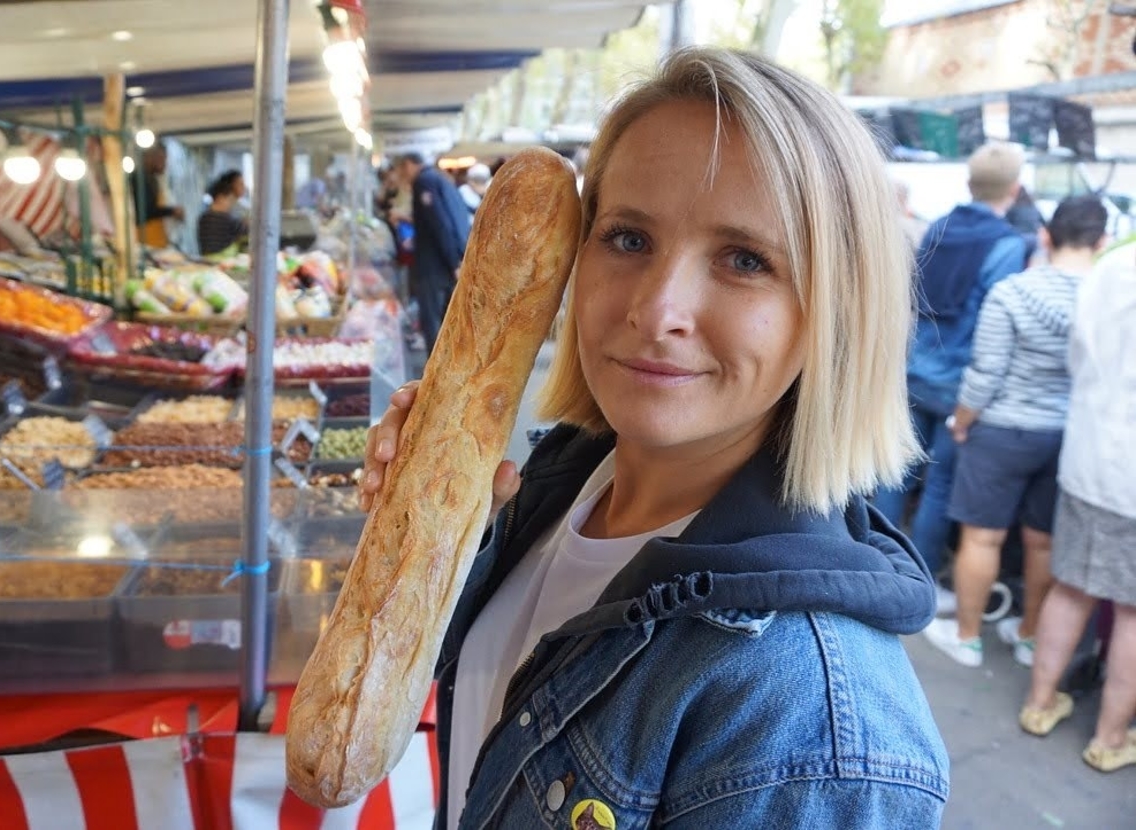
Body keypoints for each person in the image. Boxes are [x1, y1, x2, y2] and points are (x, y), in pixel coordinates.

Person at [362, 48, 947, 828]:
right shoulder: (561, 479)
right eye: (629, 239)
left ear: (838, 310)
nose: (657, 309)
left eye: (745, 260)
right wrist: (420, 557)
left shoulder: (816, 727)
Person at [922, 196, 1108, 668]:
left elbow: (985, 373)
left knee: (982, 539)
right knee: (1042, 541)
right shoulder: (1106, 300)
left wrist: (960, 422)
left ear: (1045, 235)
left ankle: (966, 638)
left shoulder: (1012, 293)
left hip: (1002, 430)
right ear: (1102, 242)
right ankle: (1028, 636)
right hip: (1065, 435)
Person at [872, 142, 1030, 610]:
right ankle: (913, 582)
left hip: (914, 368)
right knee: (938, 484)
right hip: (959, 383)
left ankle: (872, 564)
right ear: (1015, 190)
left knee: (895, 472)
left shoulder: (940, 225)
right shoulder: (1009, 244)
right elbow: (992, 324)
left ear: (968, 182)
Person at [1017, 261, 1136, 772]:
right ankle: (1109, 738)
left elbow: (1078, 353)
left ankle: (1039, 704)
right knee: (1133, 612)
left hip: (1088, 454)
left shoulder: (1111, 265)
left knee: (1071, 587)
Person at [393, 152, 472, 354]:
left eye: (402, 170)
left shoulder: (424, 182)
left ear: (409, 165)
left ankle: (436, 378)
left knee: (433, 324)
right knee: (448, 323)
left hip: (434, 267)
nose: (403, 176)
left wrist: (453, 261)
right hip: (446, 261)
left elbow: (440, 224)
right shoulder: (439, 178)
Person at [132, 145, 184, 249]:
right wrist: (172, 211)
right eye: (162, 159)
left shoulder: (154, 180)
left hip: (158, 240)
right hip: (145, 240)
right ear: (149, 157)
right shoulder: (139, 178)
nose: (165, 164)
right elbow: (145, 210)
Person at [197, 170, 249, 257]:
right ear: (220, 198)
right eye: (229, 199)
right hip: (223, 263)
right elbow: (249, 231)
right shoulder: (227, 219)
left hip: (206, 260)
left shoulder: (203, 217)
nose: (230, 203)